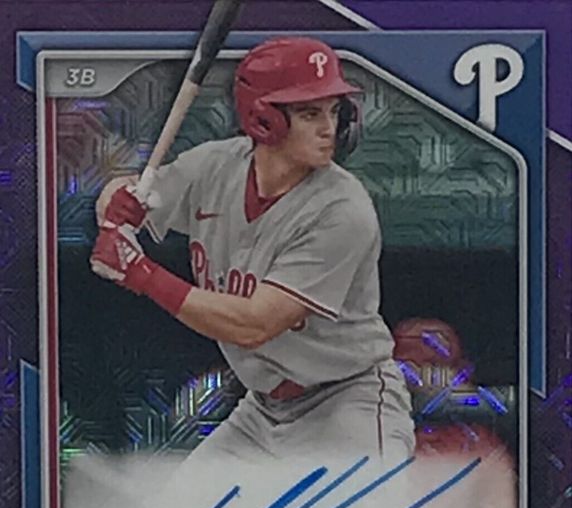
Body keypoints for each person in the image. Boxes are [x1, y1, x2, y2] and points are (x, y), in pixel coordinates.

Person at [91, 37, 414, 466]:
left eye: (335, 111)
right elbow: (126, 196)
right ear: (264, 120)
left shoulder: (342, 209)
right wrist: (117, 200)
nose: (329, 128)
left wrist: (143, 275)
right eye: (310, 113)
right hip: (262, 410)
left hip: (346, 403)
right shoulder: (214, 166)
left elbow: (254, 325)